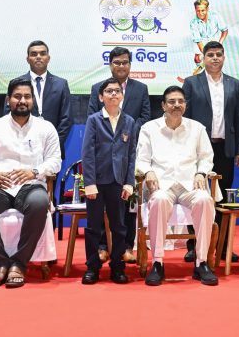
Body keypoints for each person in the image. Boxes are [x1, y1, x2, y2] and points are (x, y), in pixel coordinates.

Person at [0, 78, 61, 288]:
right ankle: (0, 262)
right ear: (8, 100)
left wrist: (34, 172)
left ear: (33, 101)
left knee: (39, 203)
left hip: (31, 186)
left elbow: (55, 161)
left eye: (27, 96)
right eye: (17, 96)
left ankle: (19, 263)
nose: (22, 101)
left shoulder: (45, 128)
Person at [136, 86, 218, 286]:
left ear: (185, 105)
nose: (176, 105)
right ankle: (157, 262)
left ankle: (201, 262)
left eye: (180, 101)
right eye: (171, 102)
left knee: (205, 200)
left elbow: (206, 157)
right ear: (163, 105)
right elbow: (142, 159)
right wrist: (148, 172)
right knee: (159, 200)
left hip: (190, 184)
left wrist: (201, 172)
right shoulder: (149, 128)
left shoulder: (197, 128)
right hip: (161, 185)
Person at [183, 41, 239, 263]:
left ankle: (223, 245)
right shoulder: (191, 83)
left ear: (224, 57)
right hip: (198, 149)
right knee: (196, 196)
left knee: (222, 199)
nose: (215, 58)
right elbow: (185, 118)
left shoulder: (234, 84)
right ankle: (194, 245)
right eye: (210, 54)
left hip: (225, 148)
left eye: (219, 54)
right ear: (203, 58)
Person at [88, 47, 150, 264]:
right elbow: (92, 117)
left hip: (130, 151)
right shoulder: (98, 88)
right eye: (117, 62)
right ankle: (103, 247)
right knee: (102, 204)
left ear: (130, 65)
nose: (121, 66)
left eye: (125, 62)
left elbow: (145, 117)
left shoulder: (141, 88)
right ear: (110, 65)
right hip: (104, 156)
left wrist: (127, 131)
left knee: (128, 200)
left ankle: (126, 247)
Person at [81, 78, 137, 284]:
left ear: (122, 96)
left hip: (118, 182)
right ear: (100, 97)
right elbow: (87, 153)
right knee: (94, 227)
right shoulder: (94, 120)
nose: (113, 94)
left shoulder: (129, 121)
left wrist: (129, 182)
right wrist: (89, 183)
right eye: (109, 91)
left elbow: (131, 155)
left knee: (119, 227)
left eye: (117, 91)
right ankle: (92, 267)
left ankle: (118, 267)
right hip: (96, 182)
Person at [11, 40, 71, 159]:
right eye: (34, 54)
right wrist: (21, 143)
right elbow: (10, 115)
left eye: (42, 54)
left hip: (53, 150)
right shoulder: (16, 83)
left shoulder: (61, 84)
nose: (38, 57)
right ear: (27, 59)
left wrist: (53, 144)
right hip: (22, 149)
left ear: (48, 58)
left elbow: (66, 119)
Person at [189, 0, 228, 76]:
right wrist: (206, 53)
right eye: (198, 11)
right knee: (197, 58)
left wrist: (220, 44)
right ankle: (198, 73)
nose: (200, 13)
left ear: (207, 9)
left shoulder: (216, 16)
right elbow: (198, 41)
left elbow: (225, 31)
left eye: (202, 10)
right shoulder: (193, 23)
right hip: (202, 41)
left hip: (215, 40)